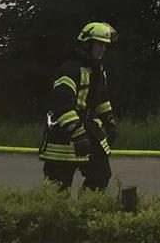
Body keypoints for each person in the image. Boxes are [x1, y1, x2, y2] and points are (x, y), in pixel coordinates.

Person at [39, 22, 117, 191]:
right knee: (57, 187)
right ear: (87, 44)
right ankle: (55, 216)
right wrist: (78, 133)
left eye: (105, 45)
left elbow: (101, 99)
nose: (102, 49)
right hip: (63, 136)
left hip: (89, 130)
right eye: (98, 44)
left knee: (100, 176)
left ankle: (86, 212)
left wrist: (109, 121)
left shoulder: (98, 71)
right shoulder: (70, 69)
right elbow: (62, 105)